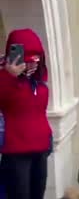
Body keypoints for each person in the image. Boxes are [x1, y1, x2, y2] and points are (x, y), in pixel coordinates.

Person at [0, 29, 51, 199]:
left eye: (35, 60)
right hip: (16, 153)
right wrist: (9, 76)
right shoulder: (5, 78)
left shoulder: (38, 83)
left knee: (38, 193)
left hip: (40, 148)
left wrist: (48, 139)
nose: (31, 65)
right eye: (28, 61)